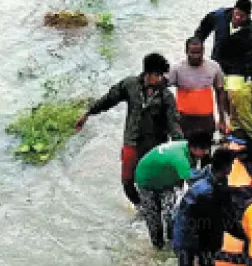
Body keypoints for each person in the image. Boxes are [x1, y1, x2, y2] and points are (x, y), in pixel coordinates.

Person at [75, 53, 182, 207]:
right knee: (127, 182)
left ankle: (155, 209)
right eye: (157, 75)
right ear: (147, 73)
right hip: (131, 142)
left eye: (161, 75)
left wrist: (181, 145)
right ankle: (140, 207)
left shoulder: (166, 96)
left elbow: (173, 124)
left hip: (155, 146)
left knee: (154, 183)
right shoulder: (130, 85)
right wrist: (88, 113)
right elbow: (108, 99)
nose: (160, 79)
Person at [172, 148, 246, 266]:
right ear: (227, 167)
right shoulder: (210, 192)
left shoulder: (208, 177)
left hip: (184, 229)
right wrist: (248, 237)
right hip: (189, 237)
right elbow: (227, 223)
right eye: (232, 164)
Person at [134, 133, 213, 250]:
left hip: (165, 177)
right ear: (194, 148)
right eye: (204, 150)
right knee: (153, 218)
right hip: (146, 180)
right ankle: (158, 247)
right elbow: (194, 186)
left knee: (170, 213)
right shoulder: (180, 159)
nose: (206, 153)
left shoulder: (185, 147)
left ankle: (173, 241)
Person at [167, 37, 227, 139]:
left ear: (203, 51)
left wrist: (222, 119)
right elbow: (162, 87)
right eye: (192, 53)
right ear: (186, 52)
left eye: (199, 52)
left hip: (206, 119)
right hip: (183, 119)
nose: (196, 56)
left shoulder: (214, 67)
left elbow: (220, 92)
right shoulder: (177, 68)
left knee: (205, 149)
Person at [194, 0, 252, 86]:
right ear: (233, 9)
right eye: (236, 13)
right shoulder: (219, 16)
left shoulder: (249, 34)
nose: (238, 18)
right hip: (216, 63)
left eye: (242, 16)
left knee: (233, 92)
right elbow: (202, 30)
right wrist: (197, 46)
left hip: (236, 71)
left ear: (248, 16)